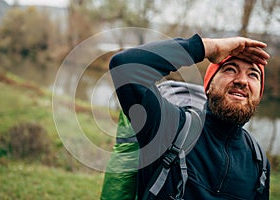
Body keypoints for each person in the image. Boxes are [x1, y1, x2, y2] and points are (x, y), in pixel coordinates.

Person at [109, 34, 270, 199]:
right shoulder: (170, 127)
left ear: (259, 94)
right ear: (208, 86)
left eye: (253, 75)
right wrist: (207, 47)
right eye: (230, 69)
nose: (242, 81)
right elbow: (126, 66)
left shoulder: (259, 163)